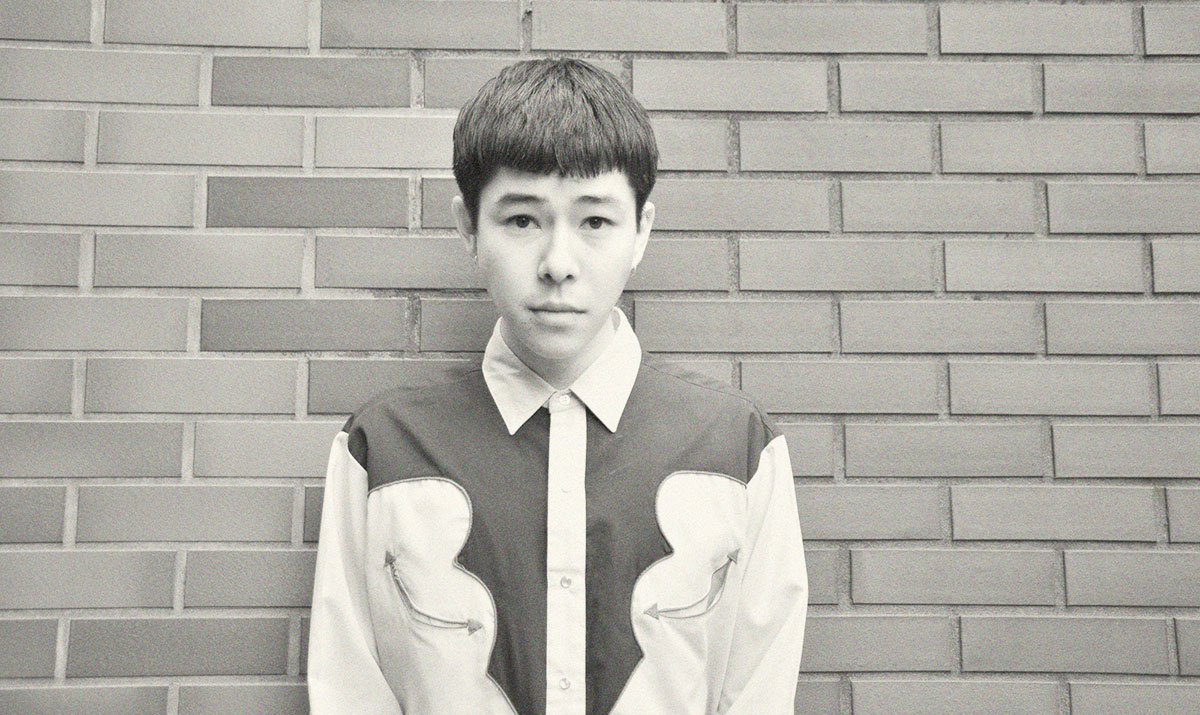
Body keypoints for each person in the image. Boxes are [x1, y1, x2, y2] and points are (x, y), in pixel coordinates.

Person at [307, 58, 807, 715]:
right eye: (522, 220)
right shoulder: (382, 449)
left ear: (641, 232)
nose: (558, 264)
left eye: (595, 222)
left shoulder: (739, 449)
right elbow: (347, 691)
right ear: (468, 227)